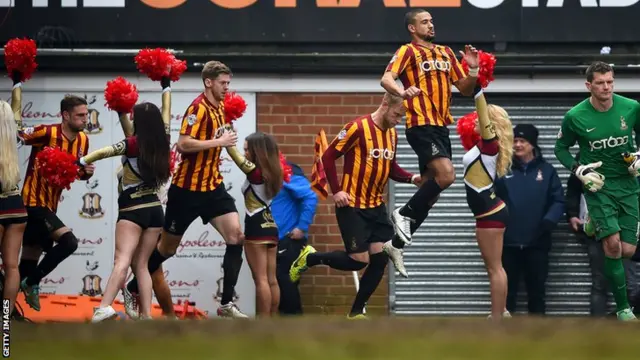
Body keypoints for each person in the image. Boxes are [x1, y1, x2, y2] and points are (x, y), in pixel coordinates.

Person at [123, 60, 248, 318]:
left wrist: (228, 141)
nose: (227, 88)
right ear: (208, 82)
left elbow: (219, 138)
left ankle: (226, 303)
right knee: (166, 250)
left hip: (213, 187)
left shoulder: (221, 107)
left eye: (228, 83)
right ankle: (133, 287)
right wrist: (219, 141)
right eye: (223, 83)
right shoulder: (197, 109)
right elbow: (182, 145)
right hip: (187, 190)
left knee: (236, 236)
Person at [289, 93, 420, 319]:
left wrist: (412, 179)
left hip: (376, 206)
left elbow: (390, 167)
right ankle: (310, 257)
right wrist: (337, 189)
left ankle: (356, 312)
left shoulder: (392, 134)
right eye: (397, 115)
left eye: (402, 117)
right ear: (385, 104)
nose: (399, 120)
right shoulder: (357, 127)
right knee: (359, 261)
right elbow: (328, 157)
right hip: (352, 206)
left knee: (381, 259)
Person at [379, 8, 480, 275]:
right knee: (446, 176)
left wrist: (473, 67)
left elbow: (466, 88)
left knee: (430, 191)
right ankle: (402, 212)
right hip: (421, 124)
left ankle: (396, 245)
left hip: (441, 125)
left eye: (432, 21)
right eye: (424, 22)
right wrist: (402, 90)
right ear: (413, 28)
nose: (430, 25)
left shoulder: (446, 52)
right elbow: (386, 78)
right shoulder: (407, 51)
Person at [554, 61, 640, 321]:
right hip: (598, 185)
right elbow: (561, 149)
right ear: (588, 85)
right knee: (612, 247)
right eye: (601, 83)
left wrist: (638, 158)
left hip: (627, 186)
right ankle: (624, 308)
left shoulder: (632, 108)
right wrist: (579, 170)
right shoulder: (575, 116)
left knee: (627, 250)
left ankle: (592, 224)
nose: (606, 87)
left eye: (610, 82)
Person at [79, 87, 171, 321]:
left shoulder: (132, 144)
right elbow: (167, 112)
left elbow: (103, 152)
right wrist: (166, 85)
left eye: (133, 116)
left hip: (132, 210)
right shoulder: (163, 142)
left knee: (122, 260)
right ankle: (147, 317)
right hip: (155, 211)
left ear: (140, 121)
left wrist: (81, 160)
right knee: (142, 265)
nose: (130, 118)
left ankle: (103, 307)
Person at [16, 84, 94, 311]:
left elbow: (74, 172)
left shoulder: (83, 141)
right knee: (69, 242)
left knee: (27, 262)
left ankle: (9, 315)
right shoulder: (46, 132)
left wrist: (84, 173)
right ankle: (32, 283)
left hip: (50, 205)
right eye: (80, 115)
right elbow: (18, 136)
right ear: (66, 115)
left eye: (86, 115)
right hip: (32, 203)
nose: (84, 119)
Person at [494, 124, 565, 315]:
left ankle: (538, 335)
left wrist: (549, 221)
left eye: (522, 141)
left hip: (538, 243)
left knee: (537, 294)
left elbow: (558, 200)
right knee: (507, 294)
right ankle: (503, 336)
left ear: (532, 144)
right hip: (508, 243)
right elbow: (490, 200)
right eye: (514, 141)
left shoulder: (547, 171)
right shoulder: (502, 171)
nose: (517, 145)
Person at [459, 86, 513, 320]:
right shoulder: (483, 147)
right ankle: (502, 312)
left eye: (480, 120)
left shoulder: (490, 146)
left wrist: (477, 89)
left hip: (490, 214)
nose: (475, 122)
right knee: (494, 267)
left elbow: (482, 114)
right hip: (489, 212)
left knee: (495, 268)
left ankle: (497, 317)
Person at [565, 155, 639, 317]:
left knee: (631, 285)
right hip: (597, 230)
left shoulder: (627, 154)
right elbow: (573, 190)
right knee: (600, 283)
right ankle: (597, 329)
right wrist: (572, 214)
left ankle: (630, 328)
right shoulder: (585, 157)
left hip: (624, 230)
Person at [226, 131, 284, 317]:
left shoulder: (255, 172)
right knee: (272, 279)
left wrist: (225, 141)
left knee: (261, 280)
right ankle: (271, 318)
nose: (245, 154)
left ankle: (262, 321)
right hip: (270, 225)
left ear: (257, 151)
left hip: (256, 226)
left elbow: (234, 156)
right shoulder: (274, 171)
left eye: (247, 150)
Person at [271, 161, 318, 316]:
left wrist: (302, 227)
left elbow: (311, 197)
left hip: (289, 237)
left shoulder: (287, 171)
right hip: (273, 237)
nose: (246, 153)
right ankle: (285, 321)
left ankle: (293, 319)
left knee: (283, 277)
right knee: (278, 279)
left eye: (247, 149)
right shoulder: (263, 172)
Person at [0, 94, 27, 315]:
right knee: (12, 266)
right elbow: (15, 111)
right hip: (16, 205)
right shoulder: (13, 138)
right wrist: (17, 81)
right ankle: (7, 318)